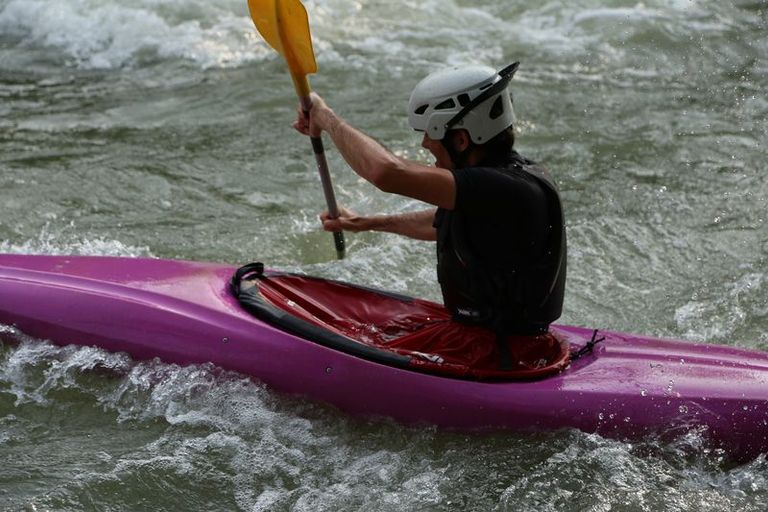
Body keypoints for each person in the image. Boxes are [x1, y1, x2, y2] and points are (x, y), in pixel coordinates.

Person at [293, 62, 566, 366]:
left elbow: (386, 173)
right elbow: (442, 223)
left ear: (461, 140)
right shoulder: (508, 178)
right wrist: (366, 223)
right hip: (494, 338)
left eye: (430, 134)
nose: (424, 143)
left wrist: (326, 118)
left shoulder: (503, 187)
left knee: (348, 338)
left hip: (498, 353)